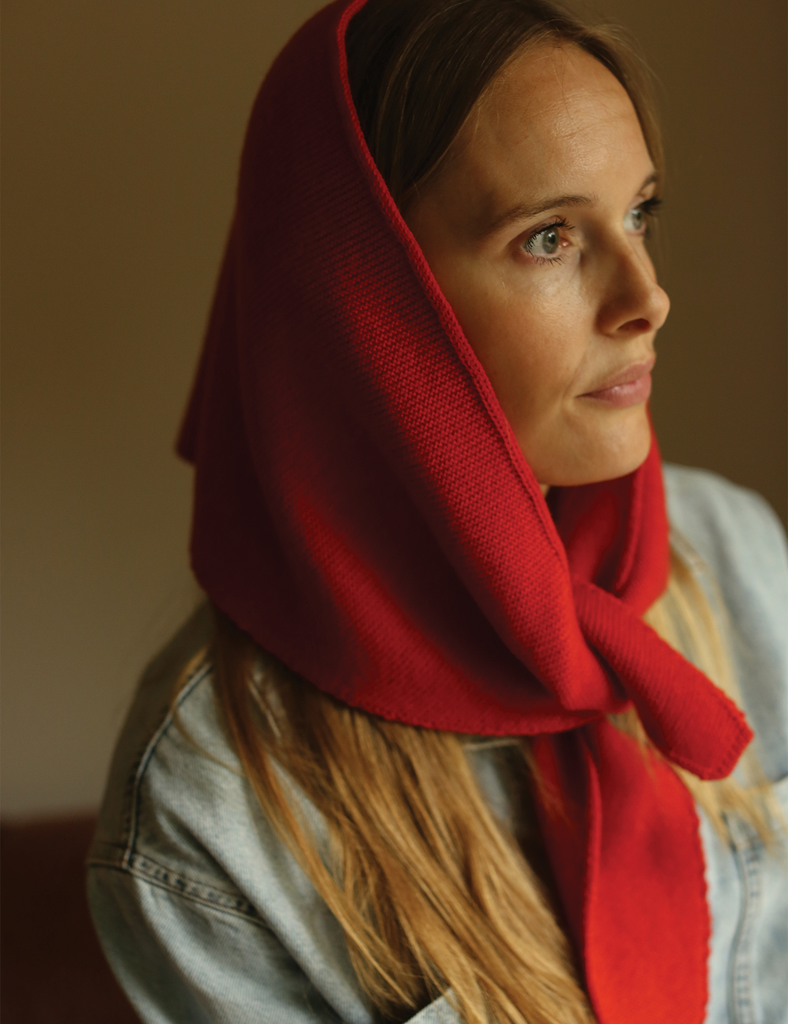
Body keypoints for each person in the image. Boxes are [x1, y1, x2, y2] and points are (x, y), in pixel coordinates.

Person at [86, 0, 788, 1021]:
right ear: (368, 308)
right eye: (548, 236)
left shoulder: (731, 550)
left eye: (637, 213)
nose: (646, 296)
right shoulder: (208, 805)